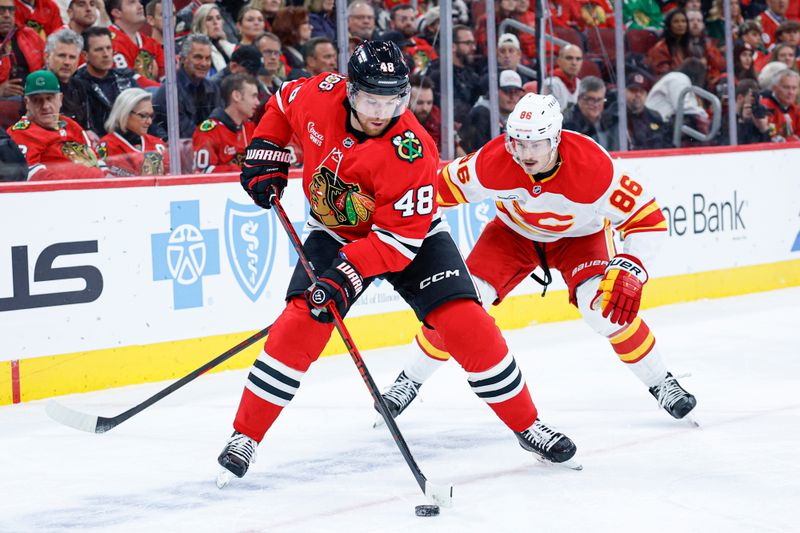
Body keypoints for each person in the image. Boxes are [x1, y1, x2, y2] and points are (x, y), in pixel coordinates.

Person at [215, 41, 579, 484]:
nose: (382, 111)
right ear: (349, 90)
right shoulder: (317, 94)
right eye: (371, 99)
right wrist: (267, 149)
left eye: (394, 99)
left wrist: (344, 277)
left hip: (413, 236)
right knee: (301, 322)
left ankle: (528, 426)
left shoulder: (413, 150)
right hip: (335, 231)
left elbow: (396, 244)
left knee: (466, 324)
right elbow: (281, 100)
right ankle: (245, 436)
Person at [378, 93, 698, 427]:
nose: (526, 155)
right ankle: (408, 380)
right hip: (511, 236)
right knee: (460, 307)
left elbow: (647, 218)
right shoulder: (492, 160)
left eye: (537, 144)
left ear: (556, 138)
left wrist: (632, 263)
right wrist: (385, 210)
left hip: (580, 239)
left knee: (603, 309)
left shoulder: (593, 166)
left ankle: (662, 381)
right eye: (519, 143)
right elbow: (432, 190)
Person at [7, 70, 107, 180]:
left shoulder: (70, 125)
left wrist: (107, 180)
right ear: (27, 103)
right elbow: (31, 175)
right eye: (37, 100)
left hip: (97, 188)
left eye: (50, 98)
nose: (45, 106)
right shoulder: (20, 133)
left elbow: (96, 159)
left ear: (60, 99)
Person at [74, 26, 155, 137]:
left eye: (109, 48)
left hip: (137, 143)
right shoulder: (77, 85)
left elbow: (147, 114)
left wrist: (164, 139)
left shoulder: (126, 77)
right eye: (99, 49)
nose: (106, 54)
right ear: (85, 55)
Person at [151, 33, 221, 140]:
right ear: (183, 59)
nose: (204, 63)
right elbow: (187, 134)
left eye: (208, 58)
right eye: (198, 57)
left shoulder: (213, 88)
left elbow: (219, 125)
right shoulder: (170, 92)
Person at [192, 73, 258, 173]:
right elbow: (203, 172)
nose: (257, 102)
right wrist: (242, 171)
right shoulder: (208, 131)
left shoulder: (251, 128)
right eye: (253, 96)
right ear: (237, 96)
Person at [97, 87, 168, 176]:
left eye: (151, 116)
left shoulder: (157, 144)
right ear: (125, 114)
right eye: (143, 116)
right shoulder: (105, 146)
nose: (149, 122)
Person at [459, 69, 525, 153]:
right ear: (494, 92)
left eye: (516, 92)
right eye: (507, 91)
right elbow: (478, 154)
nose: (512, 97)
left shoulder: (514, 117)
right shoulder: (481, 114)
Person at [107, 0, 164, 82]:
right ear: (117, 13)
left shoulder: (150, 43)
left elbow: (167, 75)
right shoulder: (110, 42)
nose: (140, 6)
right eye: (132, 2)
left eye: (139, 2)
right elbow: (129, 81)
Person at [44, 29, 90, 130]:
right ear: (47, 56)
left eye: (72, 57)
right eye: (62, 56)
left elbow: (85, 125)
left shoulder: (79, 86)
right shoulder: (38, 84)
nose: (67, 62)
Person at [0, 0, 44, 98]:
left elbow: (48, 66)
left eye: (11, 10)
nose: (7, 15)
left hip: (33, 98)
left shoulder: (30, 35)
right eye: (1, 10)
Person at [562, 76, 619, 151]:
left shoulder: (610, 121)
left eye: (599, 100)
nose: (596, 104)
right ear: (579, 99)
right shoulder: (568, 124)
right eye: (590, 99)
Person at [624, 72, 669, 150]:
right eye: (633, 90)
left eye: (641, 91)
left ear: (646, 94)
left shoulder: (655, 117)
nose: (638, 94)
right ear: (624, 92)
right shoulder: (615, 117)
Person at [191, 3, 236, 79]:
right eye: (209, 19)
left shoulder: (227, 46)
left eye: (218, 18)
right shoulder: (195, 50)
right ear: (200, 24)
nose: (215, 22)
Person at [762, 68, 800, 142]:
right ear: (774, 88)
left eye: (794, 88)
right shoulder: (765, 106)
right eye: (786, 87)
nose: (791, 92)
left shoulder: (796, 111)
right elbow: (771, 135)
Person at [542, 44, 583, 111]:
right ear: (559, 61)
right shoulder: (551, 83)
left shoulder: (580, 84)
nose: (574, 63)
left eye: (578, 59)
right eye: (569, 58)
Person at [409, 74, 441, 150]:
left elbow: (455, 145)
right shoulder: (398, 122)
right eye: (419, 103)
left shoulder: (437, 116)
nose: (425, 108)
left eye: (429, 103)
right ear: (407, 102)